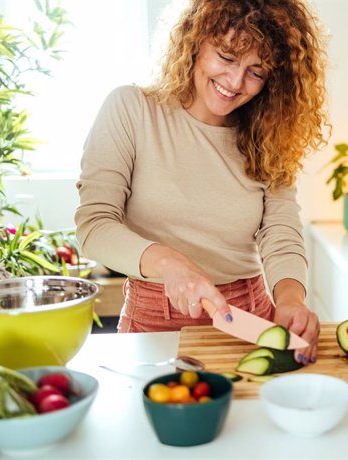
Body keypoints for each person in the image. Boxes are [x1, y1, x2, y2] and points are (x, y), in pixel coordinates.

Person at [74, 0, 328, 365]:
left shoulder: (268, 136)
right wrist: (171, 264)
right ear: (194, 40)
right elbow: (94, 226)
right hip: (153, 320)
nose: (235, 82)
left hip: (250, 317)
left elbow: (280, 229)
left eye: (256, 71)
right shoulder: (131, 110)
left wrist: (290, 298)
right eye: (226, 57)